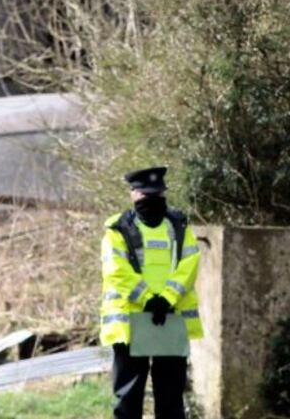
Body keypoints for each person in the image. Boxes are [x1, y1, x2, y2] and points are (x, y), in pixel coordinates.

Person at [99, 166, 204, 419]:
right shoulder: (117, 229)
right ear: (133, 194)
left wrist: (166, 299)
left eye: (155, 194)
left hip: (170, 318)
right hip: (129, 324)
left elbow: (189, 264)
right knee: (128, 400)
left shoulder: (179, 226)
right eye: (145, 194)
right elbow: (116, 270)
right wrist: (148, 300)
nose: (150, 199)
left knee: (171, 399)